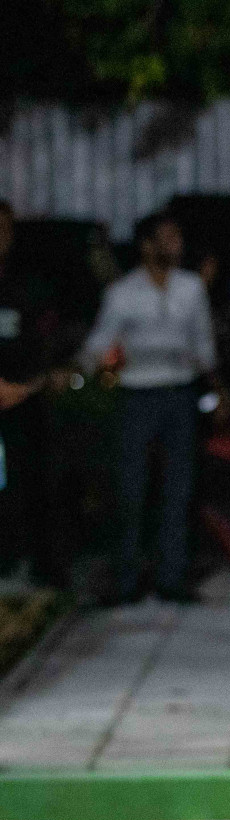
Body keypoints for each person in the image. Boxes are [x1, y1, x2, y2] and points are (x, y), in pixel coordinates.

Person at [81, 211, 216, 605]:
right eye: (168, 238)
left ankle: (171, 577)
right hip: (136, 395)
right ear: (147, 245)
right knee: (131, 487)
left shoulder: (191, 288)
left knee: (179, 487)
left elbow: (203, 342)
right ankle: (125, 579)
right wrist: (89, 365)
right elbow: (100, 343)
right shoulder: (123, 292)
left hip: (179, 393)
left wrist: (207, 373)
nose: (176, 245)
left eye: (178, 237)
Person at [0, 200, 65, 588]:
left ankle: (39, 565)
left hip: (23, 400)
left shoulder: (28, 285)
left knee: (34, 482)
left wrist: (25, 385)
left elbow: (48, 343)